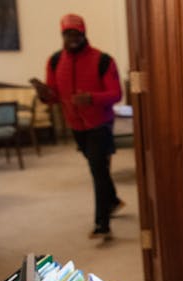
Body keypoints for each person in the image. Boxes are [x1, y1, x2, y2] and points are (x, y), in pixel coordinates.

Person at [30, 13, 124, 241]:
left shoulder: (103, 60)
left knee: (97, 171)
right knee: (98, 167)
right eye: (67, 34)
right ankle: (113, 201)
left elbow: (116, 94)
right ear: (62, 35)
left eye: (76, 34)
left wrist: (91, 98)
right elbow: (54, 96)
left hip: (100, 124)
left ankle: (102, 224)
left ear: (83, 34)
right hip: (75, 125)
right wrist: (44, 94)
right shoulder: (54, 61)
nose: (72, 38)